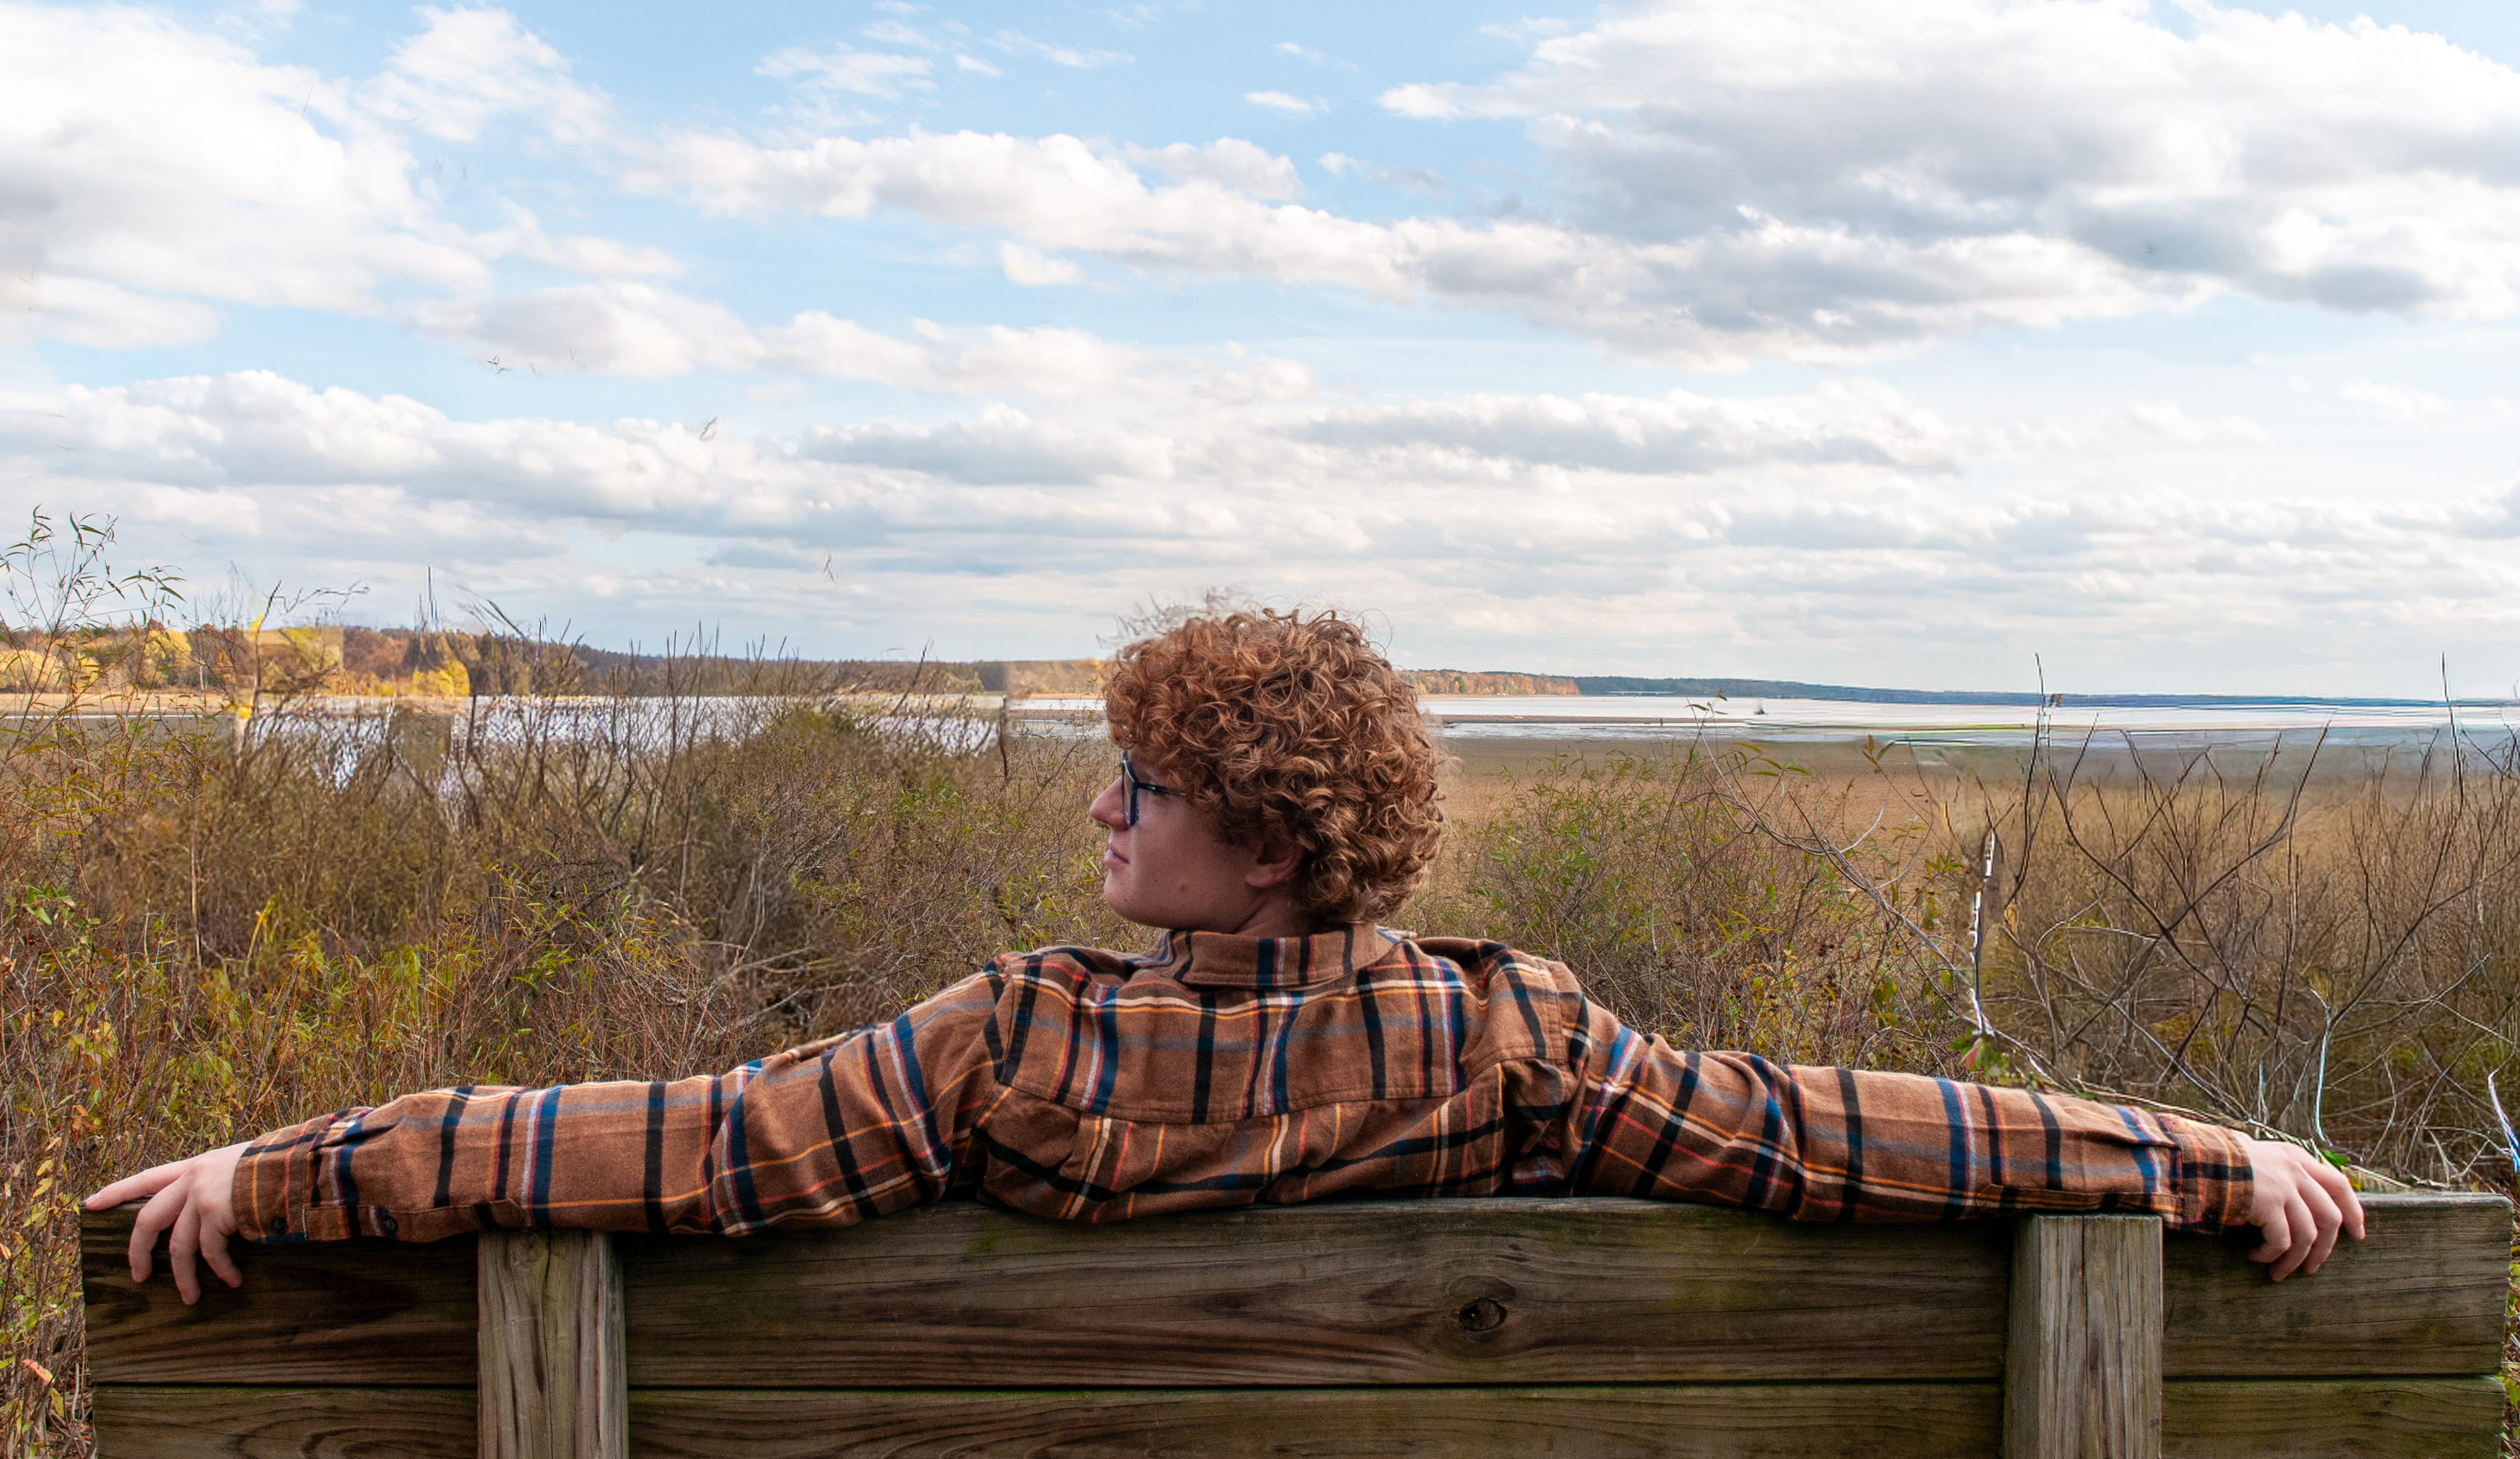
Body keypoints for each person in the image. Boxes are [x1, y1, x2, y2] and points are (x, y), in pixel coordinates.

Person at [88, 610, 2361, 1305]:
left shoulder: (1013, 1048)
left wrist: (294, 1166)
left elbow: (687, 1144)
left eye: (1139, 784)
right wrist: (2183, 1151)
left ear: (1262, 843)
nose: (1100, 811)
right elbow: (1826, 1134)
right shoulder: (1509, 1037)